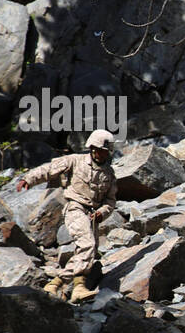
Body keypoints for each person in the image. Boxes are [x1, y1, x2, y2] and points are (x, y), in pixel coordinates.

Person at [16, 128, 118, 303]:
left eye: (104, 151)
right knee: (87, 244)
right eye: (98, 150)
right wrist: (29, 179)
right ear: (92, 148)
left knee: (88, 251)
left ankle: (68, 286)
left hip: (92, 215)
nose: (100, 154)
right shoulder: (74, 161)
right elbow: (49, 169)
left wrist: (102, 213)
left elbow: (110, 201)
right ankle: (64, 285)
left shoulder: (109, 174)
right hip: (75, 208)